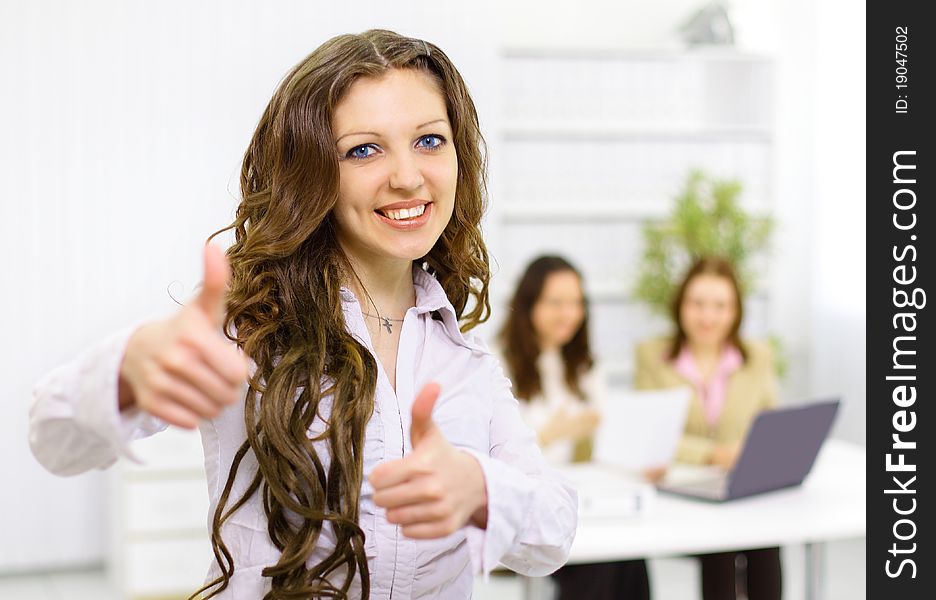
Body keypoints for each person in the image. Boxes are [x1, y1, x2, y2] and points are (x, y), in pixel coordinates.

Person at [28, 30, 576, 600]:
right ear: (312, 172)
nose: (408, 177)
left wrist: (482, 492)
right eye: (364, 149)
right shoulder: (252, 327)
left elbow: (554, 535)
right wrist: (123, 376)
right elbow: (53, 438)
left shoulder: (464, 359)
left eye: (430, 140)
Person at [499, 256, 651, 600]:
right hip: (529, 505)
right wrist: (551, 433)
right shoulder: (497, 363)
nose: (569, 313)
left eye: (576, 303)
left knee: (630, 552)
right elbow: (495, 455)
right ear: (529, 306)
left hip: (586, 498)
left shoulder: (585, 366)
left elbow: (607, 441)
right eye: (556, 303)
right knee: (602, 558)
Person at [634, 257, 781, 600]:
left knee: (766, 543)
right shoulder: (652, 356)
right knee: (722, 547)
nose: (707, 317)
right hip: (682, 492)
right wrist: (713, 454)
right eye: (697, 304)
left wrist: (750, 454)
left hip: (742, 492)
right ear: (680, 306)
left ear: (736, 312)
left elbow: (770, 425)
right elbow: (651, 433)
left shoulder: (757, 358)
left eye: (720, 306)